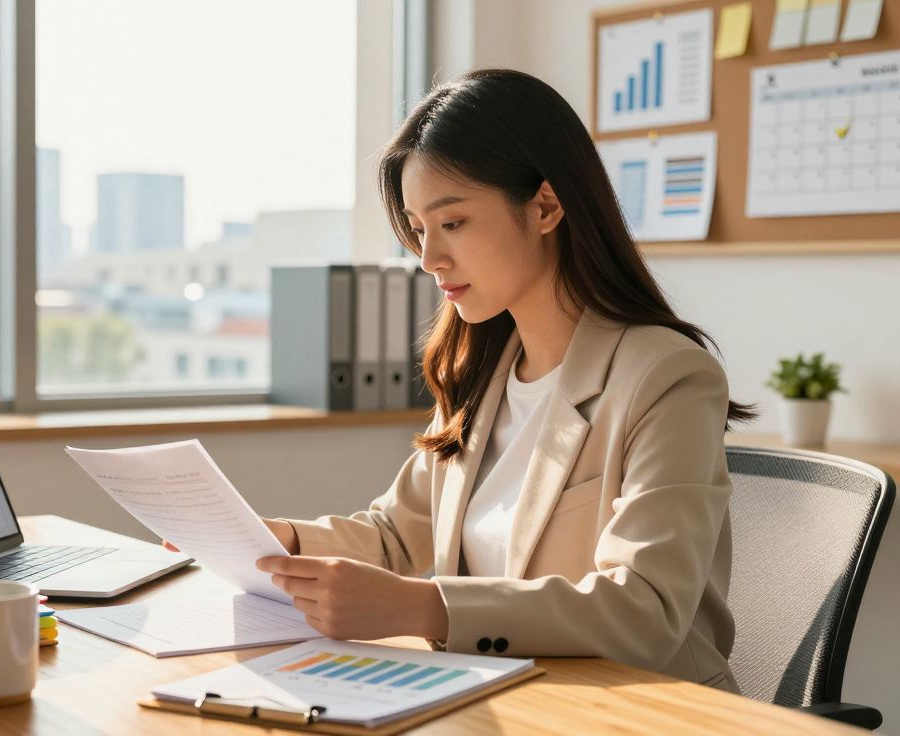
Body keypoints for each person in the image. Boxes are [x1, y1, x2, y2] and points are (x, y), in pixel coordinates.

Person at [166, 69, 755, 692]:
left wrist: (423, 607)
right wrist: (272, 542)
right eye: (419, 230)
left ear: (546, 206)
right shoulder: (485, 372)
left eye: (453, 223)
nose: (430, 258)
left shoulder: (665, 376)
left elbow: (646, 609)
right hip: (504, 700)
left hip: (640, 714)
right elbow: (398, 536)